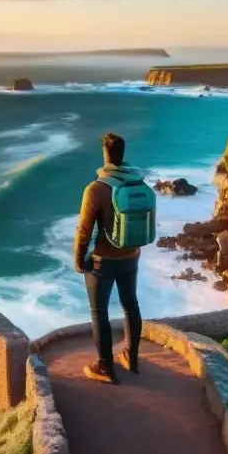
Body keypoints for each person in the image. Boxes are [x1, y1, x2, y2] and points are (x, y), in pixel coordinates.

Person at [73, 132, 154, 384]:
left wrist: (78, 258)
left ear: (105, 154)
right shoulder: (137, 182)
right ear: (122, 154)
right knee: (131, 305)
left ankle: (105, 367)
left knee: (99, 313)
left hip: (103, 260)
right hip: (132, 255)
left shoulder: (96, 189)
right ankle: (131, 357)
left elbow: (84, 230)